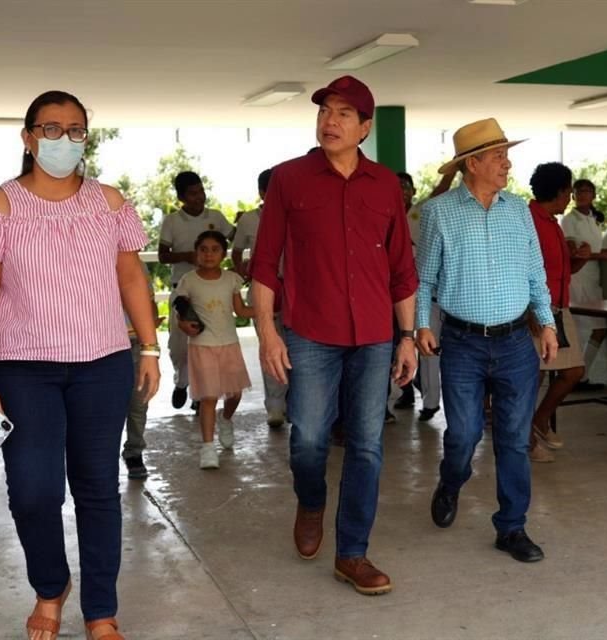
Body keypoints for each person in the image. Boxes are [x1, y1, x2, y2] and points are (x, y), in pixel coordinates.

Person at [0, 90, 160, 640]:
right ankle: (51, 587)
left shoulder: (110, 204)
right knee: (33, 490)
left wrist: (149, 346)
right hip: (23, 370)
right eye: (50, 129)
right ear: (27, 138)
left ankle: (101, 611)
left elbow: (131, 278)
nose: (63, 140)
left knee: (97, 487)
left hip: (103, 365)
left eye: (75, 130)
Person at [251, 75, 417, 595]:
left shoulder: (386, 184)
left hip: (373, 335)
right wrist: (266, 334)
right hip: (310, 333)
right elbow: (263, 264)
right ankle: (311, 500)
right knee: (309, 441)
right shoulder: (289, 179)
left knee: (367, 446)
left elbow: (401, 269)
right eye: (325, 110)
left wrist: (408, 335)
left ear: (365, 127)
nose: (331, 120)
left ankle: (353, 553)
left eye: (345, 113)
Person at [417, 117, 557, 564]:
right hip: (463, 344)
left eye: (506, 154)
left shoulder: (519, 211)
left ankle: (512, 528)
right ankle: (451, 482)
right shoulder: (438, 213)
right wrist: (420, 326)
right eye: (498, 156)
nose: (507, 163)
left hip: (516, 343)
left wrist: (548, 323)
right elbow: (423, 281)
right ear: (472, 164)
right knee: (463, 435)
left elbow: (536, 272)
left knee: (513, 440)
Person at [526, 163, 591, 463]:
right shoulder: (530, 220)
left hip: (559, 308)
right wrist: (530, 311)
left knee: (573, 371)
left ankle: (539, 421)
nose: (571, 197)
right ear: (561, 191)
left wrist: (579, 260)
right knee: (534, 376)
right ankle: (526, 438)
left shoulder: (552, 222)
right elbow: (523, 269)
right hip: (538, 309)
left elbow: (560, 270)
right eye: (569, 191)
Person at [177, 231, 254, 469]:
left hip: (229, 344)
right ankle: (208, 448)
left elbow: (240, 311)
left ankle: (226, 419)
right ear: (196, 252)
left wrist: (265, 310)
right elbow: (181, 313)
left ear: (223, 253)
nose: (209, 254)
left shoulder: (231, 279)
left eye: (215, 249)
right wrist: (183, 325)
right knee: (208, 397)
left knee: (235, 394)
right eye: (203, 249)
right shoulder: (188, 281)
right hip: (202, 346)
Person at [158, 171, 233, 413]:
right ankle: (182, 382)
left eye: (201, 191)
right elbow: (162, 255)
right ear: (181, 197)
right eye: (192, 193)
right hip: (182, 290)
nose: (199, 197)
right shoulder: (172, 221)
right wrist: (188, 256)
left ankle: (200, 395)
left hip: (210, 291)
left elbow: (234, 237)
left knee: (206, 344)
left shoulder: (216, 217)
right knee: (179, 346)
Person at [394, 169, 456, 420]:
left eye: (406, 186)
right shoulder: (383, 211)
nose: (402, 191)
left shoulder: (422, 211)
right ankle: (400, 394)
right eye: (397, 186)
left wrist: (450, 172)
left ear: (413, 191)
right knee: (397, 345)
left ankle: (431, 402)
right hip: (396, 291)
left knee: (429, 346)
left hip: (427, 289)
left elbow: (440, 191)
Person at [232, 168, 287, 428]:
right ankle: (275, 407)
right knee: (270, 343)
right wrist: (245, 271)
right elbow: (237, 251)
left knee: (298, 347)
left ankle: (297, 404)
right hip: (264, 288)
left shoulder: (295, 213)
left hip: (295, 288)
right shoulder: (249, 220)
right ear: (263, 193)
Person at [561, 179, 607, 391]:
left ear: (593, 194)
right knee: (589, 329)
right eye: (579, 192)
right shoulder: (570, 220)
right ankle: (576, 376)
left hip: (593, 278)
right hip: (578, 278)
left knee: (595, 329)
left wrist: (603, 254)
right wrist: (601, 255)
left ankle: (579, 375)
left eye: (587, 191)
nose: (583, 195)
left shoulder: (594, 220)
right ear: (573, 196)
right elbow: (573, 253)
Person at [122, 265, 160, 480]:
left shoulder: (137, 267)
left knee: (138, 402)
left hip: (136, 342)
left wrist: (151, 347)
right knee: (106, 407)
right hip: (102, 346)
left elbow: (150, 304)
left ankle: (134, 452)